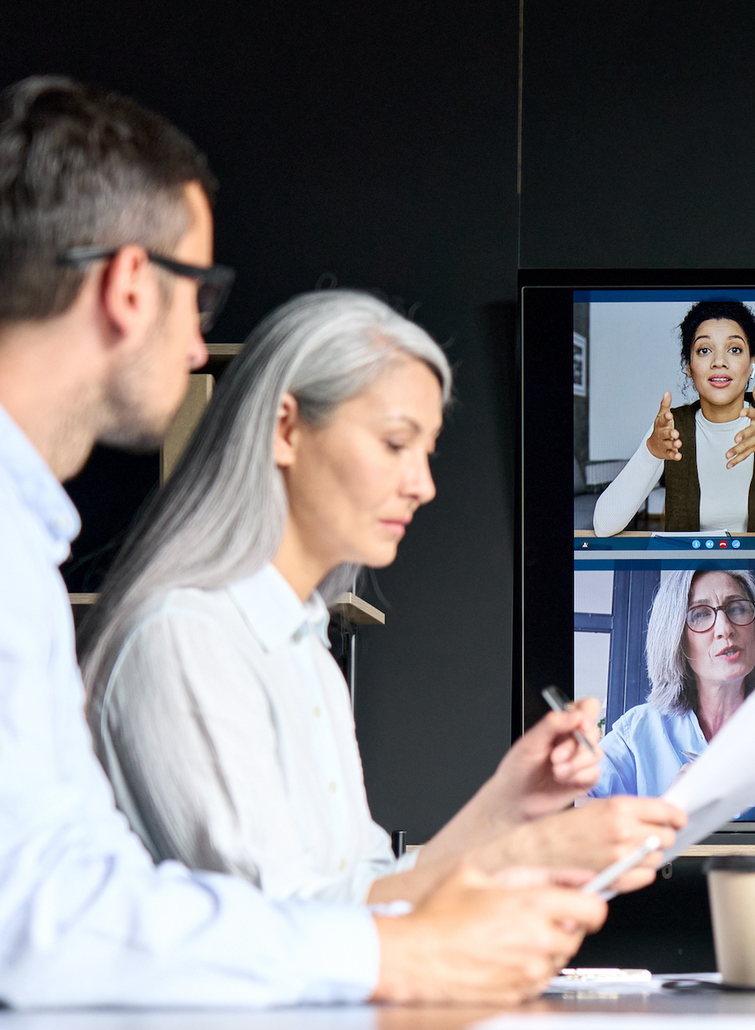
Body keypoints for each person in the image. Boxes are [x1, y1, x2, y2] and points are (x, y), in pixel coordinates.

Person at [0, 77, 649, 1007]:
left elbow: (104, 886)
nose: (201, 347)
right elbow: (30, 914)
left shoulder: (14, 532)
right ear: (127, 285)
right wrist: (421, 939)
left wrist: (504, 817)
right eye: (198, 297)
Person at [81, 290, 683, 905]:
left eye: (427, 452)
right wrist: (530, 852)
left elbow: (366, 891)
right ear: (285, 429)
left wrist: (512, 801)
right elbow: (283, 927)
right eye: (396, 444)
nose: (423, 486)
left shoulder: (305, 649)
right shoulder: (185, 636)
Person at [593, 569, 755, 805]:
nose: (725, 628)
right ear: (675, 638)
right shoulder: (638, 732)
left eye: (737, 608)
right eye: (699, 614)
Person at [592, 300, 755, 536]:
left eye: (734, 349)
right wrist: (651, 453)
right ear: (688, 365)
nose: (719, 362)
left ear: (752, 363)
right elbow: (604, 526)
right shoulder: (671, 426)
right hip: (690, 576)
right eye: (704, 350)